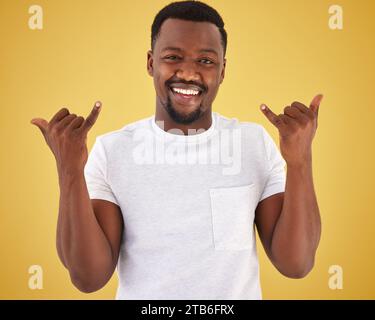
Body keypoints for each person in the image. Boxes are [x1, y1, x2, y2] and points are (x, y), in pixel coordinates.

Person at [30, 0, 322, 299]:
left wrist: (300, 160)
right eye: (173, 57)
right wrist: (69, 168)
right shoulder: (112, 151)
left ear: (222, 71)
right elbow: (88, 278)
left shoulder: (253, 144)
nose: (189, 73)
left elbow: (296, 264)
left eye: (206, 61)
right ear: (150, 63)